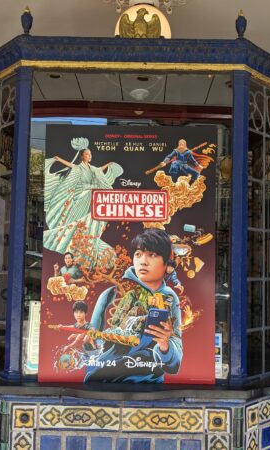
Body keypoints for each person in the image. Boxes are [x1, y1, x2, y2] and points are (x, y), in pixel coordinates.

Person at [85, 228, 182, 383]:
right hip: (102, 376)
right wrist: (89, 341)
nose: (143, 261)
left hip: (147, 380)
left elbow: (175, 364)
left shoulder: (169, 298)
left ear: (166, 263)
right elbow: (97, 340)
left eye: (152, 254)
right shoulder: (119, 292)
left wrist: (165, 345)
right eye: (138, 254)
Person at [43, 145, 123, 263]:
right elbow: (71, 166)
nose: (90, 156)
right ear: (82, 156)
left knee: (94, 211)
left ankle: (90, 238)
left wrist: (109, 164)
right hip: (82, 195)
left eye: (90, 154)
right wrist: (59, 160)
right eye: (87, 154)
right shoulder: (79, 168)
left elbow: (99, 170)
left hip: (91, 194)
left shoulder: (93, 168)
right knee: (90, 207)